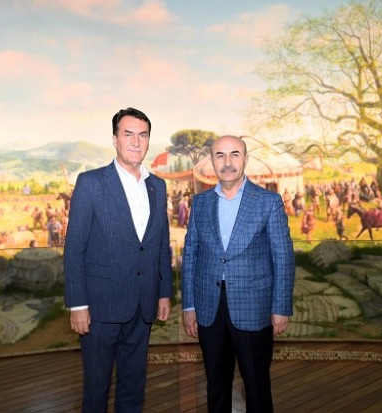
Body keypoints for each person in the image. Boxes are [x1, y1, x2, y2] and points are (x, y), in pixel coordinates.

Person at [63, 107, 173, 412]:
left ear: (148, 140)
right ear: (115, 139)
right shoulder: (91, 183)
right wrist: (78, 305)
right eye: (128, 134)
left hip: (143, 305)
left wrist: (164, 292)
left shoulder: (158, 186)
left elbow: (160, 244)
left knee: (134, 385)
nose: (136, 142)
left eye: (143, 135)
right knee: (96, 388)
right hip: (99, 308)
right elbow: (75, 247)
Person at [181, 135, 296, 413]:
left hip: (254, 308)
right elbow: (191, 255)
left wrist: (280, 307)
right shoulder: (200, 203)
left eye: (235, 154)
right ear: (212, 161)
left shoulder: (268, 202)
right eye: (220, 155)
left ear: (245, 159)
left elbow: (283, 257)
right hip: (209, 309)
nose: (228, 162)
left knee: (256, 386)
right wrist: (189, 305)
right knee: (216, 385)